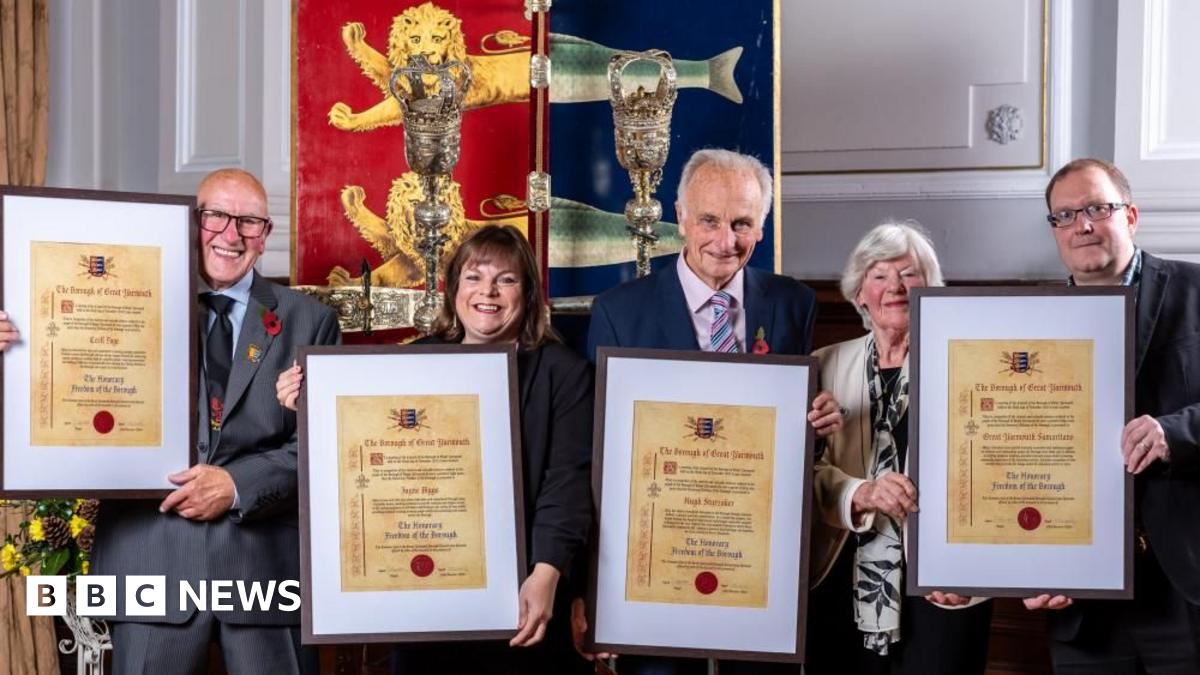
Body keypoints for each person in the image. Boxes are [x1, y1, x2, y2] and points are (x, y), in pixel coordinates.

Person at [0, 169, 342, 673]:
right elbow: (54, 401)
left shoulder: (309, 320)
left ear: (266, 234)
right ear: (189, 221)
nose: (231, 234)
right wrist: (15, 356)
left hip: (264, 570)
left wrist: (235, 484)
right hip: (149, 559)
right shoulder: (113, 305)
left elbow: (328, 447)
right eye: (217, 217)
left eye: (249, 221)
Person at [277, 225, 594, 675]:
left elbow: (567, 483)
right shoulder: (416, 360)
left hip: (524, 600)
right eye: (474, 277)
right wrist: (304, 404)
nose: (488, 292)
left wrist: (546, 573)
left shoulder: (563, 373)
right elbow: (358, 449)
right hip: (424, 604)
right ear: (453, 289)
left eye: (506, 279)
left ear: (527, 292)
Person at [578, 148, 844, 675]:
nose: (726, 241)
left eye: (743, 223)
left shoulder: (792, 305)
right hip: (655, 565)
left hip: (756, 563)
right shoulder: (619, 312)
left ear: (762, 226)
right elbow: (597, 462)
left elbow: (789, 443)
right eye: (709, 221)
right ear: (679, 217)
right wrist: (593, 589)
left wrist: (815, 424)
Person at [1022, 158, 1200, 673]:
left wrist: (1175, 432)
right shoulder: (1026, 326)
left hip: (1183, 587)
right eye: (1065, 215)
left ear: (1132, 215)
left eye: (1098, 208)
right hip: (1080, 598)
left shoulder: (1194, 291)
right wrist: (1022, 563)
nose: (1082, 225)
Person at [807, 221, 992, 675]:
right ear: (858, 293)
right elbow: (802, 473)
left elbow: (995, 471)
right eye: (879, 274)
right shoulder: (823, 365)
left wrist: (972, 570)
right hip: (839, 576)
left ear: (930, 287)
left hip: (944, 579)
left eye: (909, 274)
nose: (894, 287)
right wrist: (862, 493)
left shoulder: (969, 362)